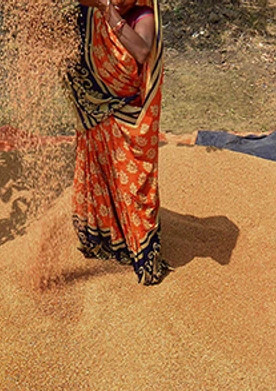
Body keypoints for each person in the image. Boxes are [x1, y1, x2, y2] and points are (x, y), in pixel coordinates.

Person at [69, 0, 167, 285]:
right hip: (96, 114)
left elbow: (141, 51)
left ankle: (144, 256)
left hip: (128, 118)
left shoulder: (142, 16)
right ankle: (108, 243)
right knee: (98, 174)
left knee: (133, 187)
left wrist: (108, 12)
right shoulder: (88, 13)